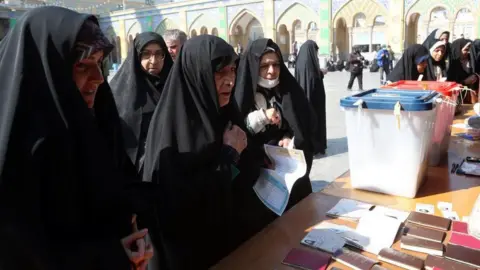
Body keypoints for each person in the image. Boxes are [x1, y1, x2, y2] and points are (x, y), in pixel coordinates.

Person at [0, 6, 155, 269]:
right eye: (82, 66)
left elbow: (121, 195)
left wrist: (134, 239)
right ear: (46, 70)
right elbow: (25, 252)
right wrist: (111, 257)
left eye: (99, 64)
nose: (97, 79)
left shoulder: (100, 127)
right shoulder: (18, 156)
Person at [142, 35, 245, 270]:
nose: (230, 80)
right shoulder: (174, 131)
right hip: (189, 254)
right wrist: (229, 155)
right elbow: (180, 204)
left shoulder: (224, 114)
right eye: (220, 73)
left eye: (233, 70)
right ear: (197, 74)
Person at [233, 38, 314, 244]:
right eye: (264, 66)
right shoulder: (240, 95)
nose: (271, 71)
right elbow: (237, 130)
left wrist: (289, 138)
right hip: (256, 182)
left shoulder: (286, 91)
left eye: (276, 64)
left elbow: (300, 126)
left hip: (286, 176)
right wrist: (260, 117)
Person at [110, 32, 173, 173]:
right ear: (137, 56)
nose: (153, 60)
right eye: (146, 54)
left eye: (159, 54)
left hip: (170, 168)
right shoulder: (120, 90)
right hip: (134, 171)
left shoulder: (174, 87)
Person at [295, 40, 327, 155]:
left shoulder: (300, 60)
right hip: (314, 101)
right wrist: (322, 73)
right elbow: (314, 80)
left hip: (303, 100)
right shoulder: (311, 63)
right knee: (315, 122)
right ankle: (316, 146)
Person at [447, 38, 477, 103]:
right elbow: (450, 82)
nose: (468, 52)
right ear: (458, 50)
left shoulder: (471, 60)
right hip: (455, 99)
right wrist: (464, 82)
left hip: (470, 98)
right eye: (466, 50)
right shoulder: (451, 64)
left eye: (469, 49)